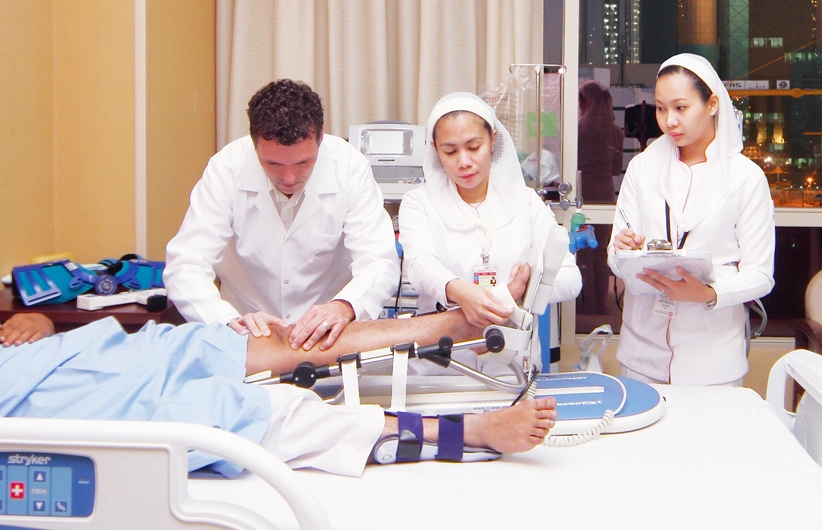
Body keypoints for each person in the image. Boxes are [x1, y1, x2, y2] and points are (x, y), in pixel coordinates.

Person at [0, 276, 557, 479]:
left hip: (81, 357)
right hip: (47, 406)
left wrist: (39, 321)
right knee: (250, 414)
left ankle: (453, 321)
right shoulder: (227, 174)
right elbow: (187, 261)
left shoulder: (342, 167)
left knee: (250, 344)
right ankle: (470, 431)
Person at [164, 79, 399, 352]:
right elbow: (186, 264)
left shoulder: (349, 168)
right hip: (246, 337)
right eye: (273, 163)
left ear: (321, 137)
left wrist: (344, 306)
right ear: (254, 143)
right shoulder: (226, 169)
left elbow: (379, 261)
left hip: (329, 336)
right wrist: (227, 321)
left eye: (303, 162)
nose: (288, 178)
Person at [607, 53, 775, 386]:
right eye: (660, 108)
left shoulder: (745, 178)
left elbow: (760, 275)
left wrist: (708, 292)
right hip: (641, 354)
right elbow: (615, 256)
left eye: (681, 108)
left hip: (712, 361)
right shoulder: (642, 168)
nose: (669, 121)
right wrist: (623, 250)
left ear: (712, 104)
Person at [398, 92, 581, 374]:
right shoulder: (419, 202)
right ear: (435, 149)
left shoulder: (526, 202)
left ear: (493, 140)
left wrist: (519, 292)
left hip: (512, 364)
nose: (463, 161)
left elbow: (570, 278)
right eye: (450, 151)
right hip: (441, 365)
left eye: (474, 147)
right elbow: (420, 265)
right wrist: (459, 292)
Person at [576, 80, 624, 316]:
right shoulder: (616, 132)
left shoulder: (577, 130)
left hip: (582, 193)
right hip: (605, 194)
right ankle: (602, 305)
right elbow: (616, 170)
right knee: (601, 251)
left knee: (583, 252)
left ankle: (585, 306)